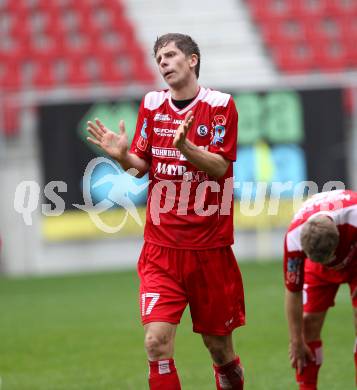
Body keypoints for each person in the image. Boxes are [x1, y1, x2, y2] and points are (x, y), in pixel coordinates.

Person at [86, 33, 245, 389]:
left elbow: (220, 168)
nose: (163, 62)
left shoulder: (220, 105)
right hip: (161, 251)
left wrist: (186, 147)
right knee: (155, 343)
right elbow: (139, 168)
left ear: (192, 60)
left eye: (171, 55)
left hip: (210, 251)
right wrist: (121, 156)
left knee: (219, 350)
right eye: (159, 58)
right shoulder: (152, 104)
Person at [284, 189, 357, 390]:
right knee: (308, 327)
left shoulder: (354, 216)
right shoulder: (294, 238)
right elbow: (293, 290)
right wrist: (295, 340)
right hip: (317, 267)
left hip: (355, 256)